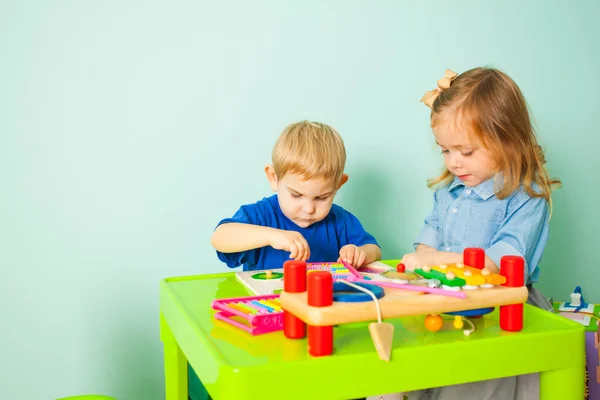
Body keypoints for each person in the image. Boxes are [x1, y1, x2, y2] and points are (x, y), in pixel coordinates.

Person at [370, 68, 561, 400]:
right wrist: (416, 266)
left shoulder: (526, 197)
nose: (454, 162)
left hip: (499, 312)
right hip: (443, 303)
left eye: (466, 151)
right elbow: (426, 242)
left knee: (471, 381)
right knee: (392, 373)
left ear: (507, 139)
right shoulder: (449, 192)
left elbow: (502, 263)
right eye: (445, 150)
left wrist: (434, 258)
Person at [211, 120, 381, 269]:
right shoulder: (261, 216)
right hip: (269, 304)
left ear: (338, 185)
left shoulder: (341, 221)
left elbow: (374, 249)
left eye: (321, 198)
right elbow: (219, 237)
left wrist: (360, 253)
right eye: (296, 195)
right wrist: (271, 236)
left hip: (322, 305)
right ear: (274, 178)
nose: (308, 209)